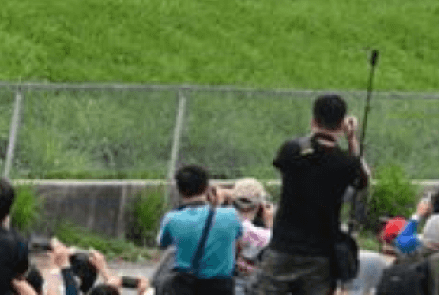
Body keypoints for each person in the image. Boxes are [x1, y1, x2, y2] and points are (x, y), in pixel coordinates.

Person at [256, 94, 370, 295]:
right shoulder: (346, 163)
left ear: (313, 120)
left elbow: (301, 151)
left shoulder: (292, 150)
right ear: (342, 124)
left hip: (283, 247)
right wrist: (352, 139)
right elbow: (363, 180)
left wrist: (317, 134)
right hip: (321, 254)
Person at [158, 164, 244, 295]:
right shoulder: (231, 215)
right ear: (207, 188)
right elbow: (239, 242)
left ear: (179, 189)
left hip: (186, 285)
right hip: (221, 286)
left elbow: (162, 244)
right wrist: (220, 204)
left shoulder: (171, 218)